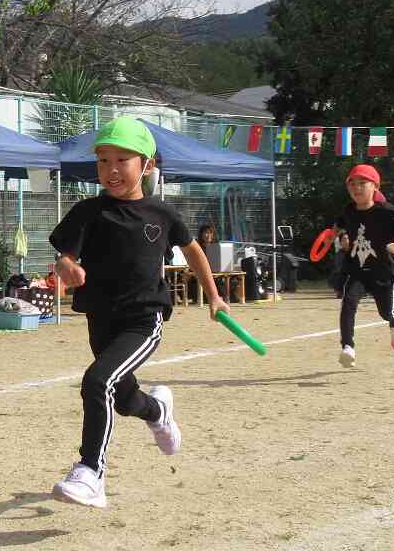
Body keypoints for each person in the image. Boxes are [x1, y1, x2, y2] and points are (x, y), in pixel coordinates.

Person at [48, 117, 229, 508]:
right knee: (123, 398)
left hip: (143, 320)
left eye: (122, 160)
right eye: (103, 161)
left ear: (146, 165)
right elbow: (65, 256)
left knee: (97, 381)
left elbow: (193, 251)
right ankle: (158, 410)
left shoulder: (162, 214)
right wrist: (65, 267)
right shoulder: (88, 212)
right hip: (101, 319)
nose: (111, 170)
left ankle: (91, 472)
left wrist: (213, 295)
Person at [326, 164, 394, 368]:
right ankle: (347, 347)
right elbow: (339, 225)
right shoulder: (348, 210)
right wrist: (335, 237)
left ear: (375, 186)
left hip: (383, 269)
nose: (356, 188)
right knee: (348, 302)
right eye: (352, 184)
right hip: (356, 268)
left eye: (362, 183)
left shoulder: (386, 211)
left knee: (386, 313)